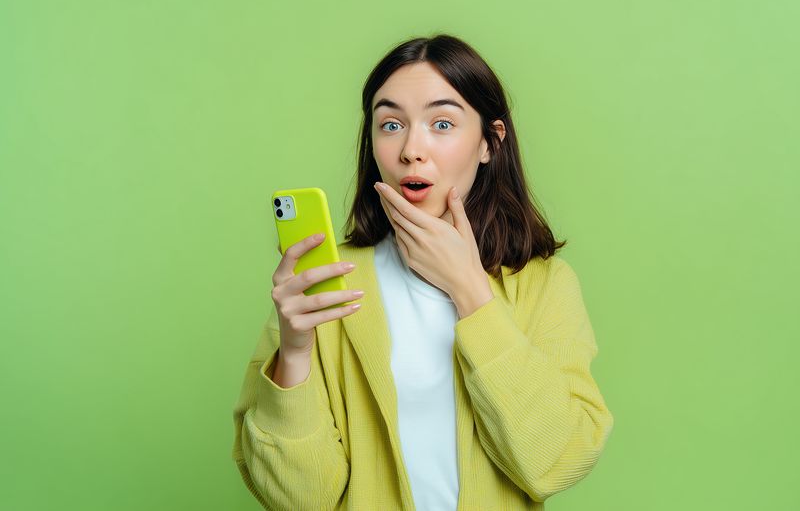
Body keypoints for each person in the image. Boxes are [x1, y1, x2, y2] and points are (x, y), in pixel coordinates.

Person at [232, 33, 614, 510]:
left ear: (489, 144)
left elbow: (556, 461)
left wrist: (469, 290)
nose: (412, 148)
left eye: (442, 123)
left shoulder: (544, 286)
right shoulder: (327, 288)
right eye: (390, 124)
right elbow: (302, 500)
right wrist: (293, 353)